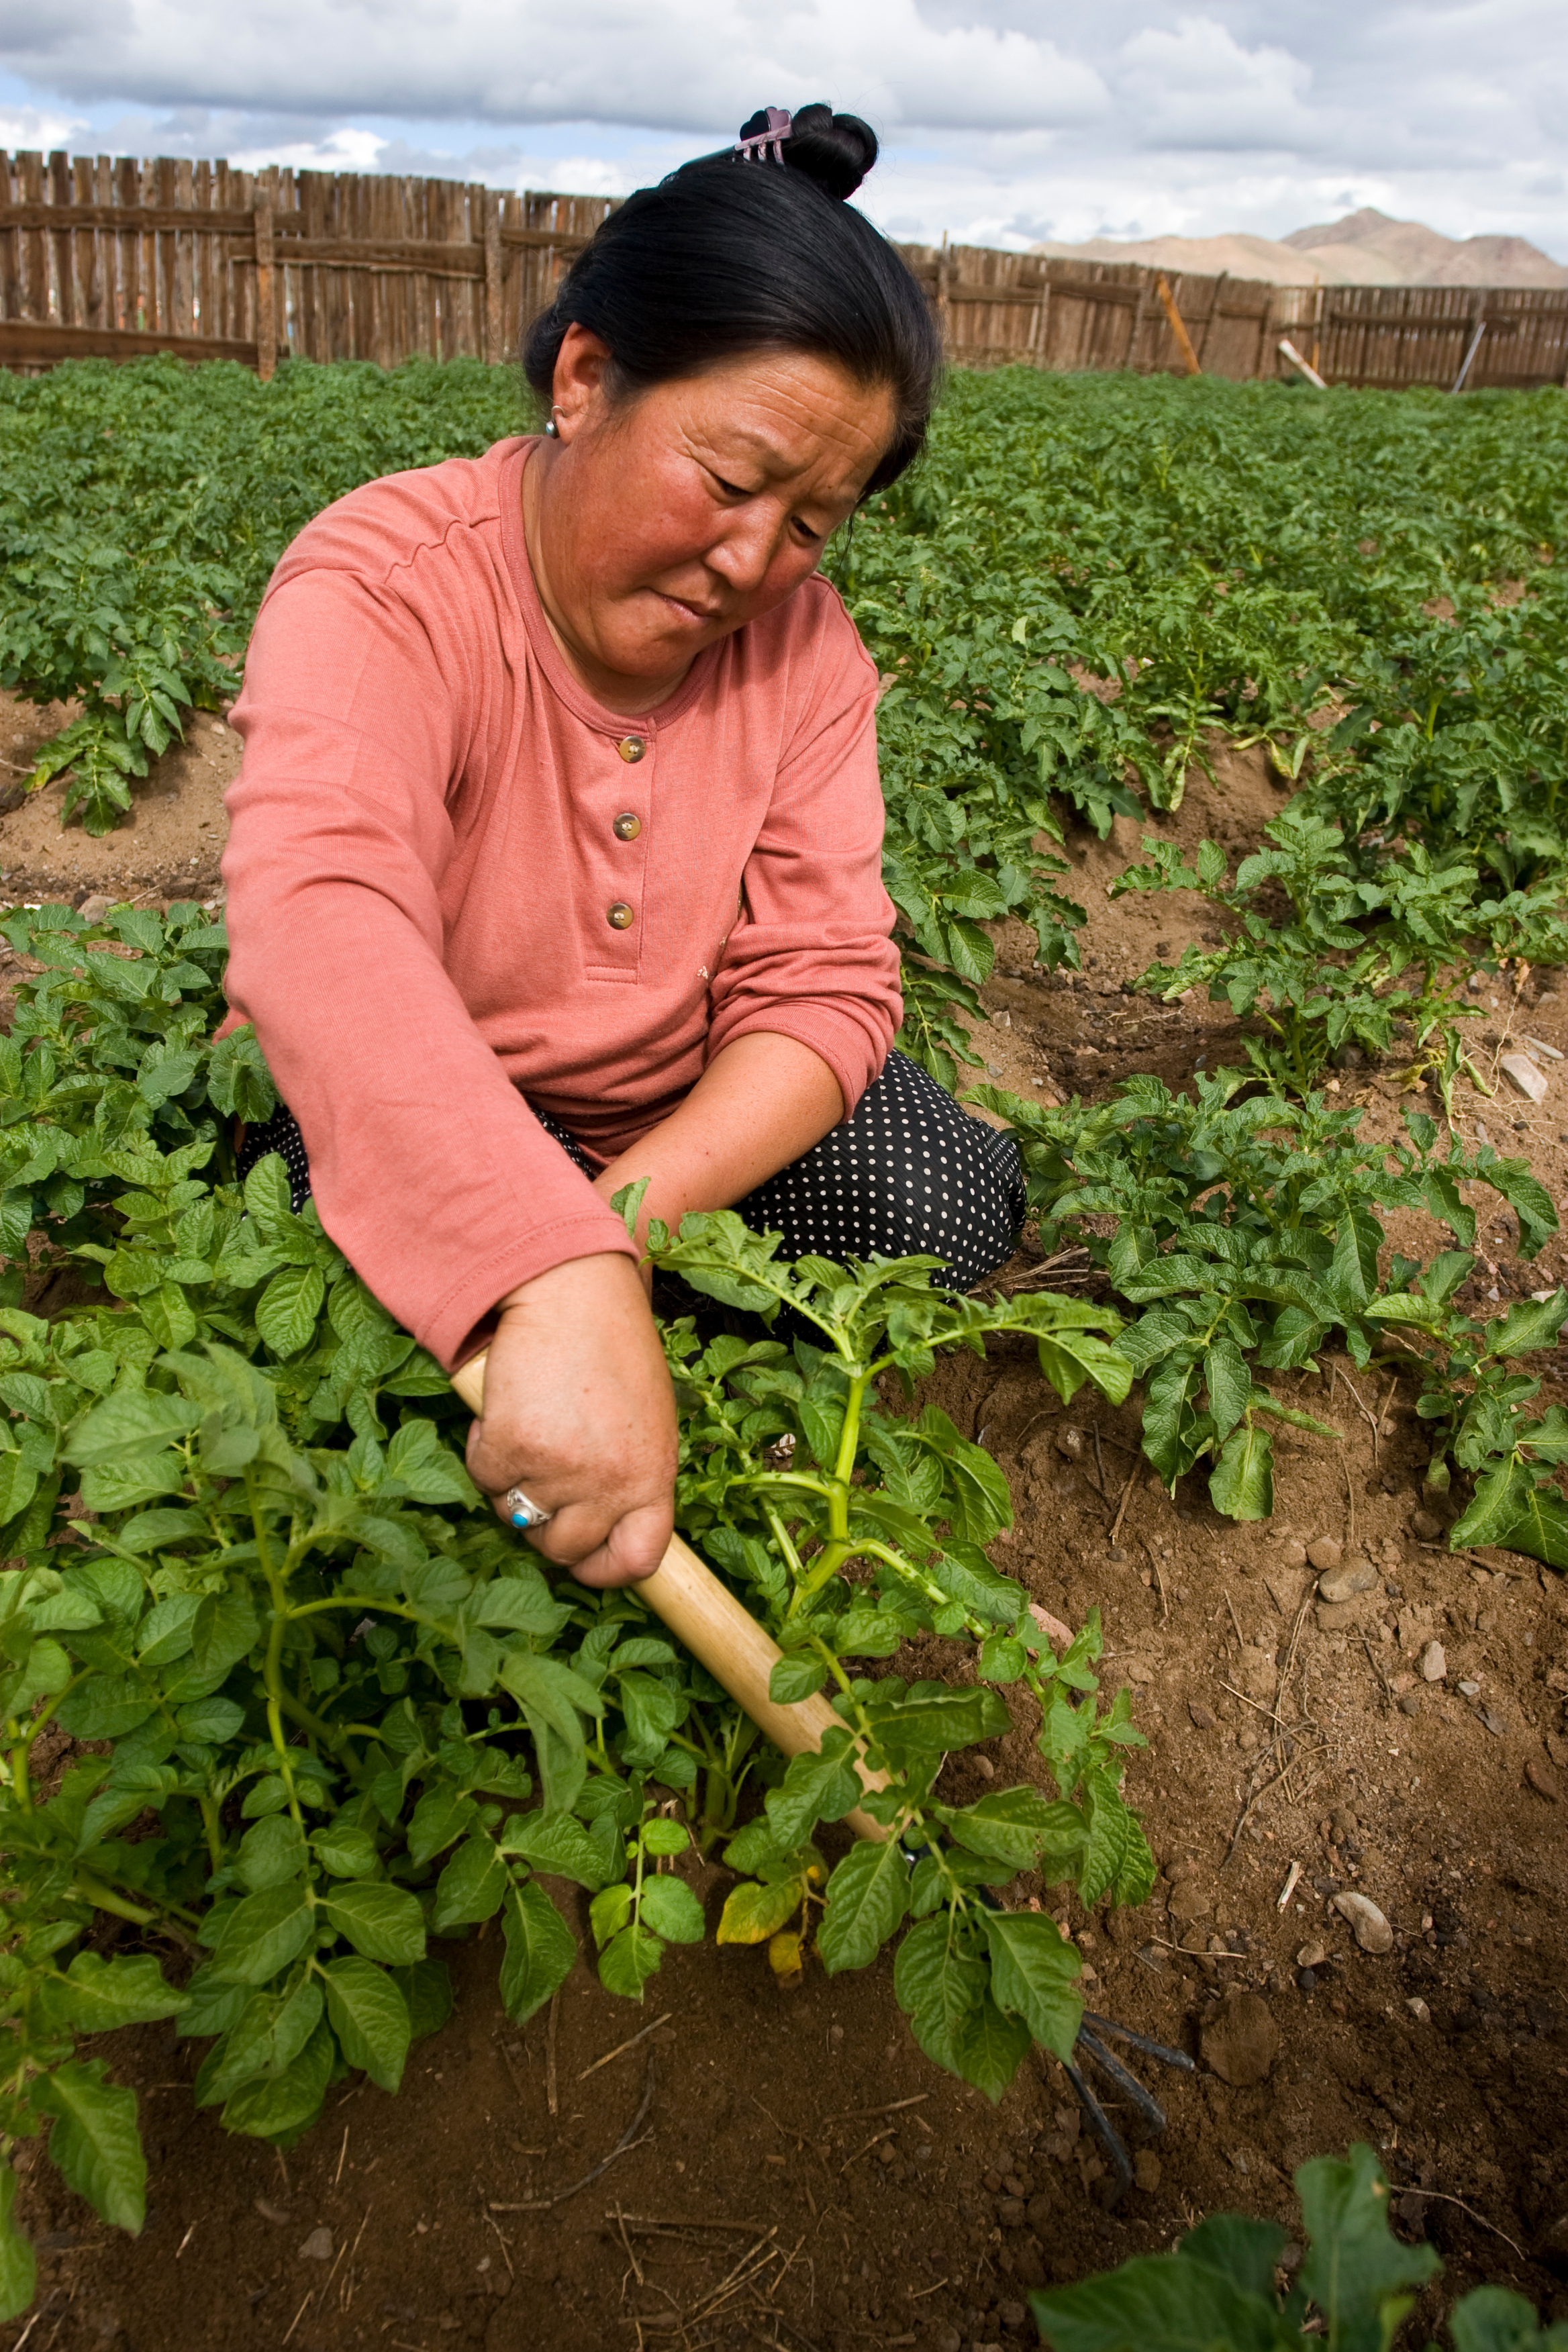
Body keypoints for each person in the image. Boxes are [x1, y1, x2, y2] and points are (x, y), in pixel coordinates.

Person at [222, 103, 1025, 1595]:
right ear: (586, 377)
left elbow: (824, 985)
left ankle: (586, 1357)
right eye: (729, 480)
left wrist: (618, 1232)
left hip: (665, 1125)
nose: (751, 561)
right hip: (429, 1090)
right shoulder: (389, 585)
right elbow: (321, 920)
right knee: (297, 1204)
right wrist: (534, 1252)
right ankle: (561, 1357)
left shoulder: (807, 654)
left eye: (811, 523)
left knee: (938, 1199)